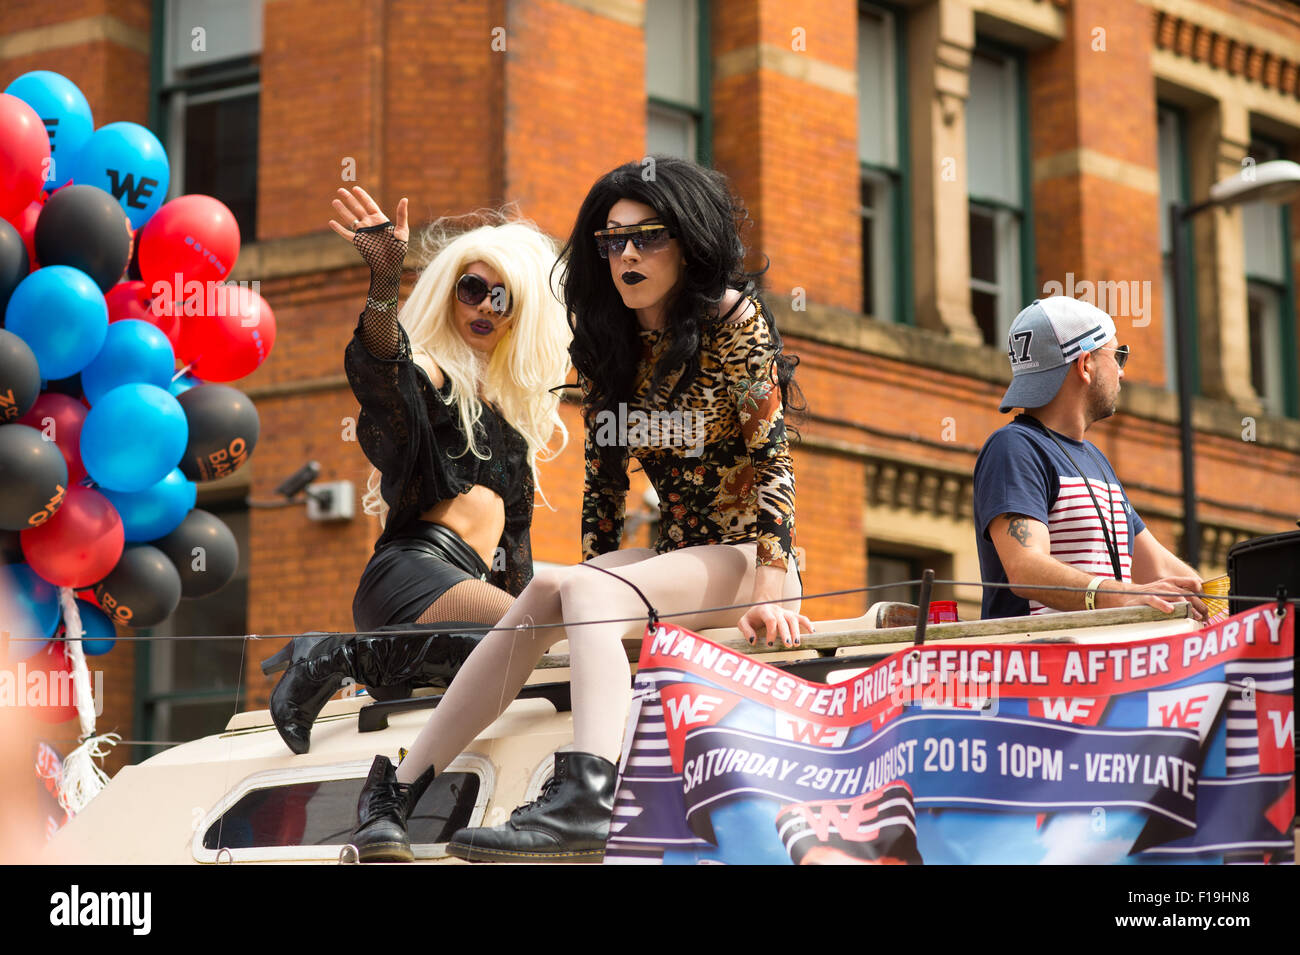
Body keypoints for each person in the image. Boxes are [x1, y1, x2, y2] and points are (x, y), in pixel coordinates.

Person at [349, 157, 812, 863]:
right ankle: (399, 792)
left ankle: (591, 793)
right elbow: (604, 491)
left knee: (587, 592)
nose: (625, 254)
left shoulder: (731, 319)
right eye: (611, 240)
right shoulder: (611, 341)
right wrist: (585, 606)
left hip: (750, 559)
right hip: (677, 558)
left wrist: (774, 593)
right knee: (547, 587)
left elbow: (772, 463)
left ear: (687, 242)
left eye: (647, 237)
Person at [263, 188, 571, 754]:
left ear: (518, 314)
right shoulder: (432, 375)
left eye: (501, 298)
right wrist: (384, 278)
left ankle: (391, 792)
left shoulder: (510, 422)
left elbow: (514, 564)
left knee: (539, 651)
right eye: (472, 290)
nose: (484, 307)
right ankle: (335, 656)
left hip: (460, 595)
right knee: (550, 624)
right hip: (411, 576)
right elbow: (385, 372)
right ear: (452, 297)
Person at [973, 296, 1208, 622]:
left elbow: (1159, 568)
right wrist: (1127, 595)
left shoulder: (1095, 459)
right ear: (1085, 365)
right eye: (1118, 355)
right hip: (1042, 667)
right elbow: (1025, 568)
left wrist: (1228, 602)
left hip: (1102, 666)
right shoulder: (1014, 447)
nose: (1122, 373)